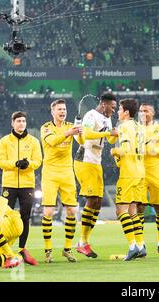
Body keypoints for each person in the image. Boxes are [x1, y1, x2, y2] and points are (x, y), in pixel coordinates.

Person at [40, 99, 113, 263]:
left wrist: (78, 132)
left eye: (64, 109)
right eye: (59, 109)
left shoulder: (70, 125)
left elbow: (81, 141)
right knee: (49, 213)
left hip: (67, 172)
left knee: (72, 211)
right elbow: (52, 141)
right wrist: (69, 132)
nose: (62, 111)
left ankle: (67, 249)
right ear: (52, 112)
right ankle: (47, 250)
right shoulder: (46, 127)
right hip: (50, 173)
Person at [74, 93, 118, 258]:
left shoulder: (107, 118)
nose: (113, 111)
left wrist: (115, 134)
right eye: (112, 107)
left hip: (96, 161)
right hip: (84, 160)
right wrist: (108, 134)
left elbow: (111, 140)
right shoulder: (90, 115)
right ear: (104, 104)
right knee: (92, 199)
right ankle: (82, 242)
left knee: (98, 202)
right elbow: (86, 135)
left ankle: (84, 241)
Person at [0, 111, 42, 266]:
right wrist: (15, 163)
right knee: (4, 218)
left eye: (23, 121)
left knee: (25, 217)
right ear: (12, 123)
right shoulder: (4, 141)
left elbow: (38, 161)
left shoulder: (34, 141)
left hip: (27, 184)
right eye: (18, 121)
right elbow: (0, 161)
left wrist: (28, 164)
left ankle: (22, 249)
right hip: (8, 184)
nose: (21, 123)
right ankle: (5, 250)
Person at [110, 98, 146, 261]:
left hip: (128, 173)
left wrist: (114, 151)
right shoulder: (139, 127)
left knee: (121, 209)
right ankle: (140, 245)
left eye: (119, 109)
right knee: (133, 210)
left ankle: (132, 247)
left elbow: (124, 149)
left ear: (126, 112)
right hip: (140, 171)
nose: (117, 111)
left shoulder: (123, 126)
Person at [137, 103, 159, 258]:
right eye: (141, 111)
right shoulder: (134, 129)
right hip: (138, 172)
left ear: (153, 112)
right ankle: (140, 244)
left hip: (156, 172)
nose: (143, 113)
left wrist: (154, 150)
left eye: (146, 111)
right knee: (139, 208)